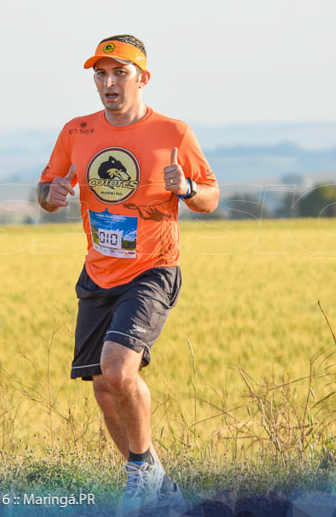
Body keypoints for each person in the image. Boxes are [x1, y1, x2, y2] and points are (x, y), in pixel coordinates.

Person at [37, 35, 219, 515]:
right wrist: (50, 196)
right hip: (98, 272)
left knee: (119, 369)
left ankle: (139, 474)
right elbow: (48, 185)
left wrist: (188, 189)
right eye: (100, 73)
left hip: (153, 269)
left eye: (119, 72)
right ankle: (156, 482)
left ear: (143, 77)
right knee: (101, 384)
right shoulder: (77, 132)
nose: (108, 82)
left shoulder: (173, 133)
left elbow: (211, 199)